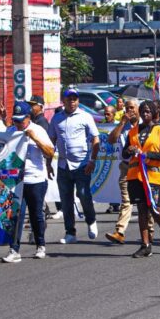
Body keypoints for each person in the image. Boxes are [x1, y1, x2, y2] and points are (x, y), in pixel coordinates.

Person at [2, 102, 54, 263]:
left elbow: (50, 152)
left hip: (36, 178)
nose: (18, 124)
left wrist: (34, 138)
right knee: (16, 215)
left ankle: (40, 245)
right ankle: (14, 249)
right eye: (15, 121)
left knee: (35, 214)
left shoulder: (38, 130)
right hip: (16, 179)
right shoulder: (11, 132)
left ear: (28, 118)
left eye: (21, 121)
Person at [48, 87, 100, 244]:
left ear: (78, 101)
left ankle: (91, 221)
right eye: (69, 98)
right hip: (63, 165)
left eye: (75, 98)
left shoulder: (86, 117)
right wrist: (48, 163)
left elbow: (95, 140)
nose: (72, 101)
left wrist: (92, 160)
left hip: (82, 164)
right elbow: (51, 142)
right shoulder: (56, 119)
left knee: (83, 195)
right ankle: (70, 232)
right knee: (66, 200)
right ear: (63, 101)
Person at [124, 100, 160, 257]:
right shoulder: (133, 132)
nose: (145, 114)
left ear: (153, 113)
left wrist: (148, 155)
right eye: (143, 111)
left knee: (153, 207)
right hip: (136, 176)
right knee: (141, 210)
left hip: (153, 176)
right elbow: (124, 154)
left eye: (148, 111)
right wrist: (130, 150)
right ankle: (145, 244)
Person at [104, 99, 140, 244]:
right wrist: (122, 123)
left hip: (143, 167)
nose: (129, 111)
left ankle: (155, 231)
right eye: (127, 108)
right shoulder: (123, 125)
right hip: (126, 167)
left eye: (132, 108)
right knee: (126, 201)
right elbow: (111, 140)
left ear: (138, 109)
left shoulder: (144, 124)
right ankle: (120, 232)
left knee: (147, 203)